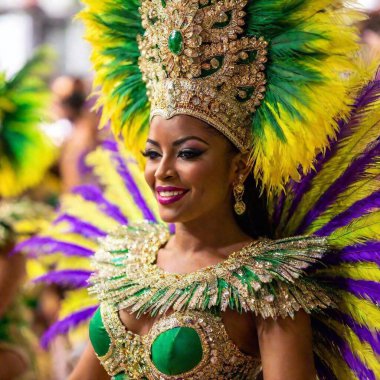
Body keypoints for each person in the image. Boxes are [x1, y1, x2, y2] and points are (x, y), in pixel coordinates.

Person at [23, 0, 378, 379]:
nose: (163, 172)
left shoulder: (267, 284)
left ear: (237, 167)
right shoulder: (128, 259)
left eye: (188, 153)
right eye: (153, 153)